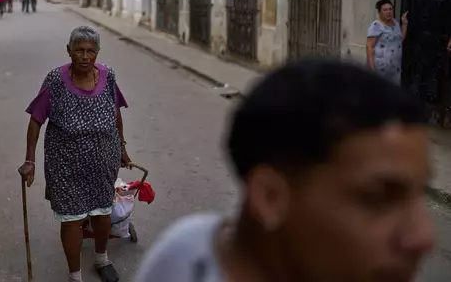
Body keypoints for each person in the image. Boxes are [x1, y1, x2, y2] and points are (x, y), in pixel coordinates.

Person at [134, 59, 434, 282]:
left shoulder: (189, 243)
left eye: (419, 193)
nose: (423, 237)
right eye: (376, 198)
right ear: (270, 198)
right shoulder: (183, 252)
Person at [18, 26, 132, 282]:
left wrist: (122, 148)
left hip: (103, 160)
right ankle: (75, 275)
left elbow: (116, 115)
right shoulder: (55, 81)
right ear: (68, 51)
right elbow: (36, 120)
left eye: (91, 51)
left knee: (102, 213)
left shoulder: (107, 75)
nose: (85, 56)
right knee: (71, 219)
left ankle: (102, 259)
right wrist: (30, 160)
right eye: (79, 50)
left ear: (98, 53)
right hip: (65, 164)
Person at [367, 0, 409, 84]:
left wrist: (404, 24)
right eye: (385, 10)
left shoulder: (395, 23)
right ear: (380, 12)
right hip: (380, 70)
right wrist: (371, 68)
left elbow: (400, 39)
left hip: (395, 70)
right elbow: (369, 46)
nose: (388, 12)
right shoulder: (376, 26)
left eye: (390, 9)